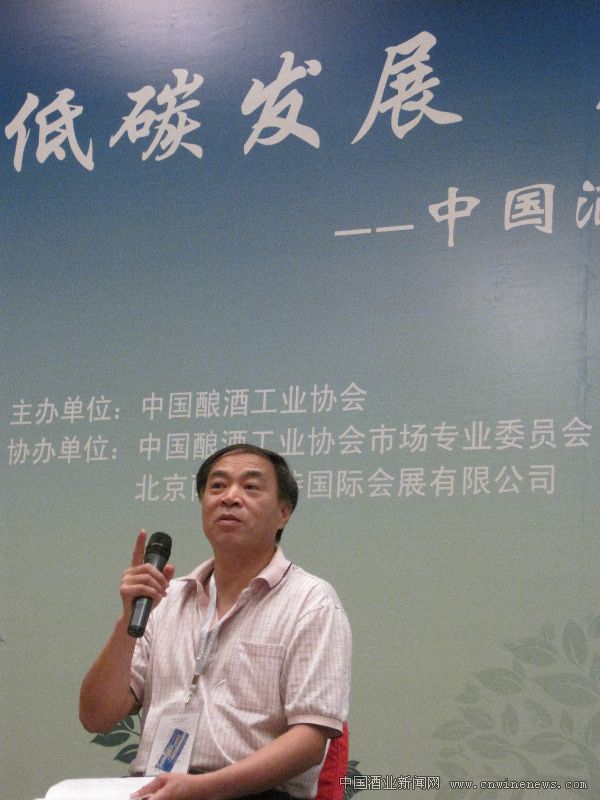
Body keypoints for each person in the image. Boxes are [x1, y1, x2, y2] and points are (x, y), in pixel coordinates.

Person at [80, 444, 351, 800]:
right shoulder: (166, 600)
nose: (230, 497)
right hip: (156, 789)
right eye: (218, 486)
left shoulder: (311, 602)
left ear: (283, 513)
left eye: (250, 487)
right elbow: (96, 717)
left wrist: (203, 790)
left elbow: (310, 743)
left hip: (254, 794)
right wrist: (128, 619)